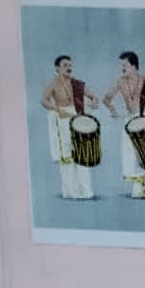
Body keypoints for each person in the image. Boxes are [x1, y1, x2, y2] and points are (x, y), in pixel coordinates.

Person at [102, 51, 145, 200]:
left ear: (133, 66)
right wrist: (113, 110)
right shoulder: (120, 82)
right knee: (131, 153)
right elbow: (106, 98)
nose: (122, 68)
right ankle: (140, 189)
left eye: (124, 65)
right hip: (130, 118)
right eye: (122, 65)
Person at [39, 55, 99, 200]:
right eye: (65, 65)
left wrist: (94, 102)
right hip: (63, 120)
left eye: (70, 65)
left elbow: (94, 97)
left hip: (78, 118)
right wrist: (57, 109)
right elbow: (44, 100)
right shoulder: (53, 84)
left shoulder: (77, 83)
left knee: (82, 155)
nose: (69, 68)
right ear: (57, 68)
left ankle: (86, 191)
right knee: (67, 157)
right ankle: (70, 191)